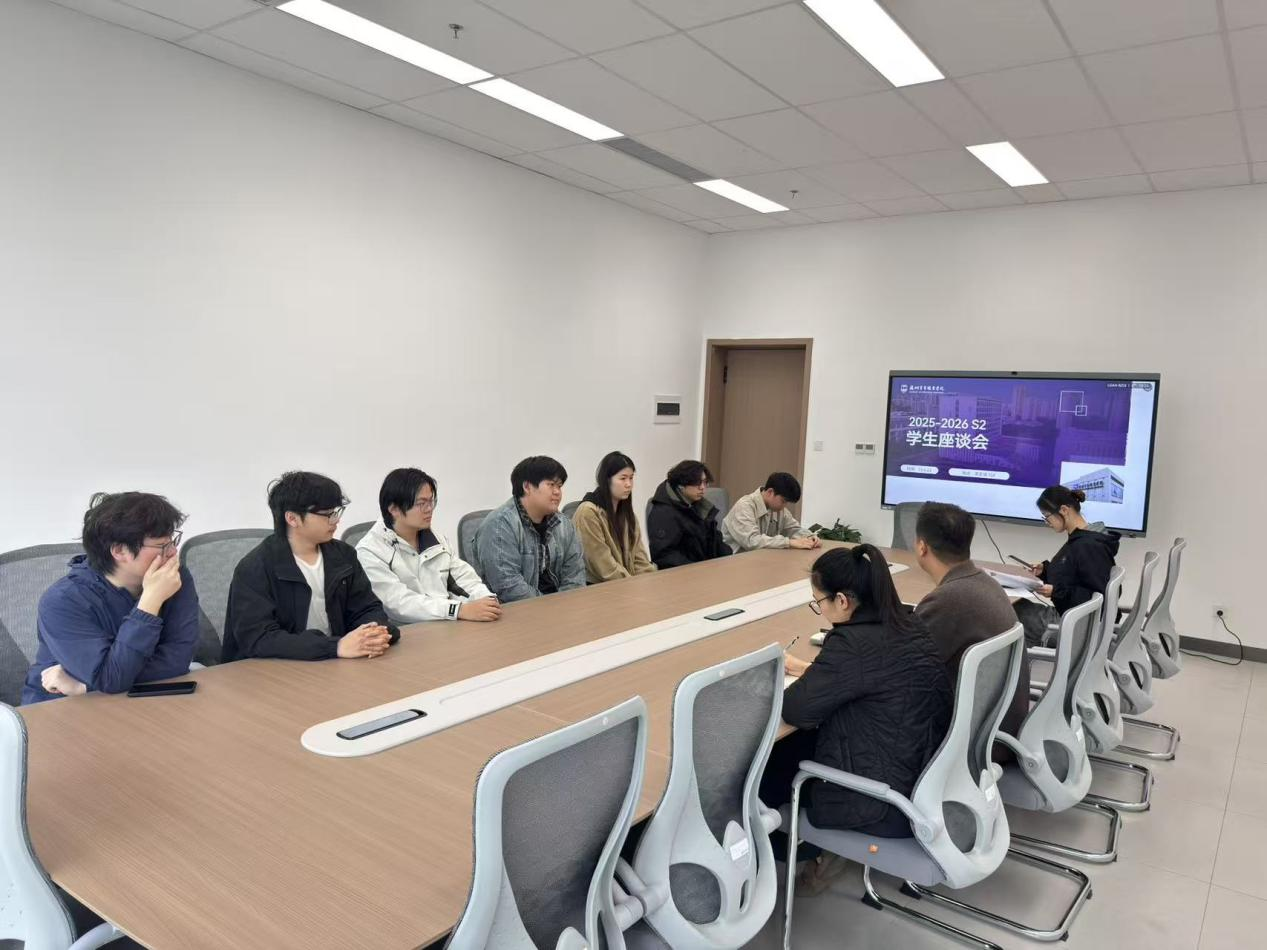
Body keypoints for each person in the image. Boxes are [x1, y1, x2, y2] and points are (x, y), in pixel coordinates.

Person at [762, 545, 952, 894]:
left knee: (765, 765)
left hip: (880, 801)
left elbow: (796, 709)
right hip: (923, 779)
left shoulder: (852, 643)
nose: (820, 610)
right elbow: (870, 677)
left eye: (818, 602)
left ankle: (789, 855)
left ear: (842, 600)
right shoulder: (909, 623)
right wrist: (815, 670)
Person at [22, 492, 200, 704]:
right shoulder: (62, 602)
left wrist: (85, 686)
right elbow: (111, 678)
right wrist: (150, 602)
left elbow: (178, 660)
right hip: (60, 706)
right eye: (162, 546)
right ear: (119, 550)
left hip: (141, 699)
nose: (172, 552)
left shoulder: (174, 577)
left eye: (173, 541)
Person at [221, 472, 398, 662]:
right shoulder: (255, 568)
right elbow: (259, 638)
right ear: (292, 519)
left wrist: (372, 632)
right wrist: (335, 646)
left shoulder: (343, 555)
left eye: (336, 512)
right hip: (274, 667)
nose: (336, 520)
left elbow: (367, 608)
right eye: (327, 514)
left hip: (332, 661)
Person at [913, 502, 1029, 745]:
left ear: (922, 547)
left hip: (968, 740)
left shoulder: (949, 600)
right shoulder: (985, 583)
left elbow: (897, 669)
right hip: (998, 732)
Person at [356, 468, 501, 624]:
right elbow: (398, 604)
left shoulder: (435, 539)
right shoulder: (370, 551)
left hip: (446, 623)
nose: (429, 509)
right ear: (394, 509)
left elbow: (463, 577)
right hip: (405, 631)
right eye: (421, 503)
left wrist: (486, 599)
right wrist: (457, 610)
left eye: (431, 501)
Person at [473, 456, 586, 603]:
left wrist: (565, 605)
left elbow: (575, 575)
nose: (557, 492)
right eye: (551, 485)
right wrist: (552, 606)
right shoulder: (499, 526)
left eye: (559, 486)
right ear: (527, 487)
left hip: (560, 606)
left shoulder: (563, 523)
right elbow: (509, 587)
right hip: (515, 610)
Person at [1030, 486, 1121, 614]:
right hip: (1073, 616)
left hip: (1076, 621)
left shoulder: (1088, 545)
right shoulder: (1081, 539)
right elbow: (1073, 576)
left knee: (1011, 612)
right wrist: (1044, 572)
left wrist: (1056, 592)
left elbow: (1098, 597)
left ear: (1064, 510)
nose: (1047, 522)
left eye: (1047, 516)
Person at [572, 451, 657, 584]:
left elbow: (639, 559)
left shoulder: (628, 515)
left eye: (631, 478)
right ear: (607, 480)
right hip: (598, 588)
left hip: (625, 584)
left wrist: (651, 581)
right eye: (623, 478)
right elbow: (604, 567)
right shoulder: (588, 513)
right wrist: (633, 585)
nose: (628, 484)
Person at [646, 460, 731, 569]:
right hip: (683, 573)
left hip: (707, 569)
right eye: (697, 483)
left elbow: (715, 540)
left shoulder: (699, 505)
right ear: (681, 484)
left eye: (705, 482)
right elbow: (664, 555)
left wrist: (729, 559)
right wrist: (698, 569)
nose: (702, 487)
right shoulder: (663, 512)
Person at [721, 472, 820, 553]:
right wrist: (788, 542)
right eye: (783, 501)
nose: (784, 506)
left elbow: (793, 529)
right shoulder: (744, 506)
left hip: (759, 559)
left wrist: (810, 537)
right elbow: (752, 541)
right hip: (733, 561)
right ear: (770, 492)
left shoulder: (778, 509)